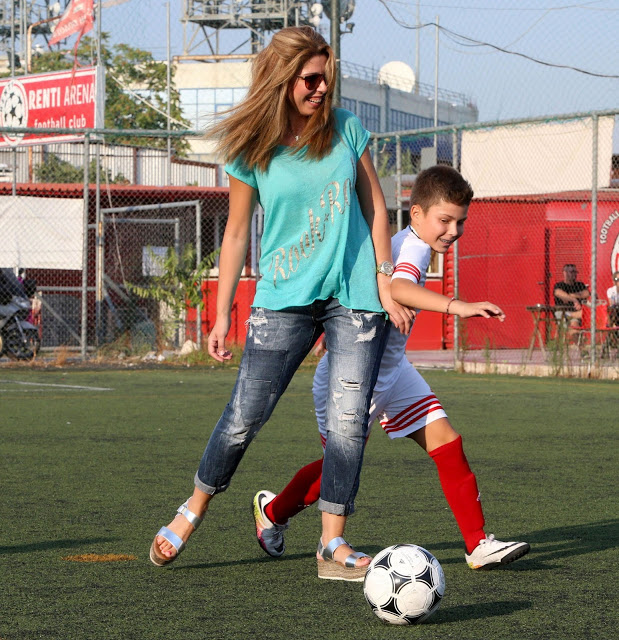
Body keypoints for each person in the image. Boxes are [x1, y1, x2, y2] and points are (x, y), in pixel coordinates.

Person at [150, 26, 412, 580]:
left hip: (355, 295)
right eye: (311, 80)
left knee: (347, 424)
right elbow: (236, 234)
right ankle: (192, 509)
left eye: (326, 77)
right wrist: (221, 312)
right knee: (244, 417)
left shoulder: (348, 129)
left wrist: (385, 278)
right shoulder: (254, 147)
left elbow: (378, 211)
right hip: (283, 297)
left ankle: (331, 545)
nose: (322, 89)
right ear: (282, 80)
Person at [251, 166, 530, 575]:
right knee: (338, 467)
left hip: (391, 370)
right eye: (445, 220)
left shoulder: (405, 242)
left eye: (461, 221)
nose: (454, 230)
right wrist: (459, 306)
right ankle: (273, 512)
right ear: (416, 214)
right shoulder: (412, 247)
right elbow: (397, 287)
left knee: (446, 442)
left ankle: (478, 545)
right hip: (351, 375)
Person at [553, 264, 590, 337]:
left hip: (576, 312)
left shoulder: (580, 285)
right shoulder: (559, 285)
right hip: (562, 311)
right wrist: (574, 300)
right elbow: (558, 292)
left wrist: (570, 295)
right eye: (572, 272)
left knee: (575, 322)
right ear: (565, 273)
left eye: (575, 272)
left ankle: (571, 316)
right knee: (573, 323)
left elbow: (586, 293)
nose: (574, 274)